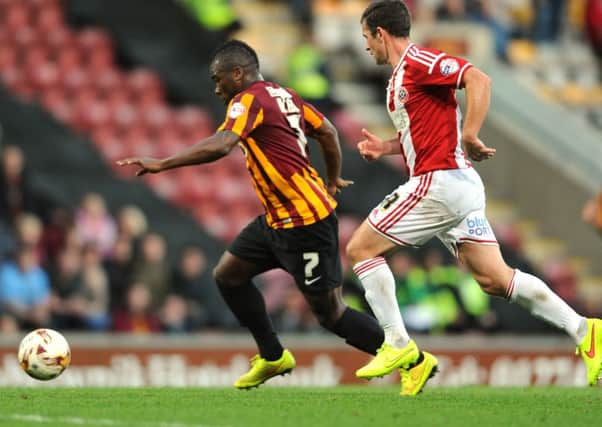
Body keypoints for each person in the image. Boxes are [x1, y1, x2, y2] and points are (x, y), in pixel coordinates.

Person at [346, 0, 602, 393]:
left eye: (367, 37)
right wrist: (385, 147)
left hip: (441, 183)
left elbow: (478, 79)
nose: (366, 47)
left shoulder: (419, 62)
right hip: (456, 186)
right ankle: (586, 331)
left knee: (360, 249)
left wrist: (471, 133)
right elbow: (424, 133)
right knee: (495, 279)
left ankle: (399, 346)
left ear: (381, 33)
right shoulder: (401, 77)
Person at [117, 39, 386, 390]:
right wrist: (332, 177)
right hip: (278, 218)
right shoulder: (283, 94)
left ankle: (405, 354)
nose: (216, 89)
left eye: (218, 80)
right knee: (228, 275)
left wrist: (163, 163)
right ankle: (273, 356)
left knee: (330, 313)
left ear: (238, 73)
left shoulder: (249, 100)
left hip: (306, 221)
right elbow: (327, 131)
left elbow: (223, 143)